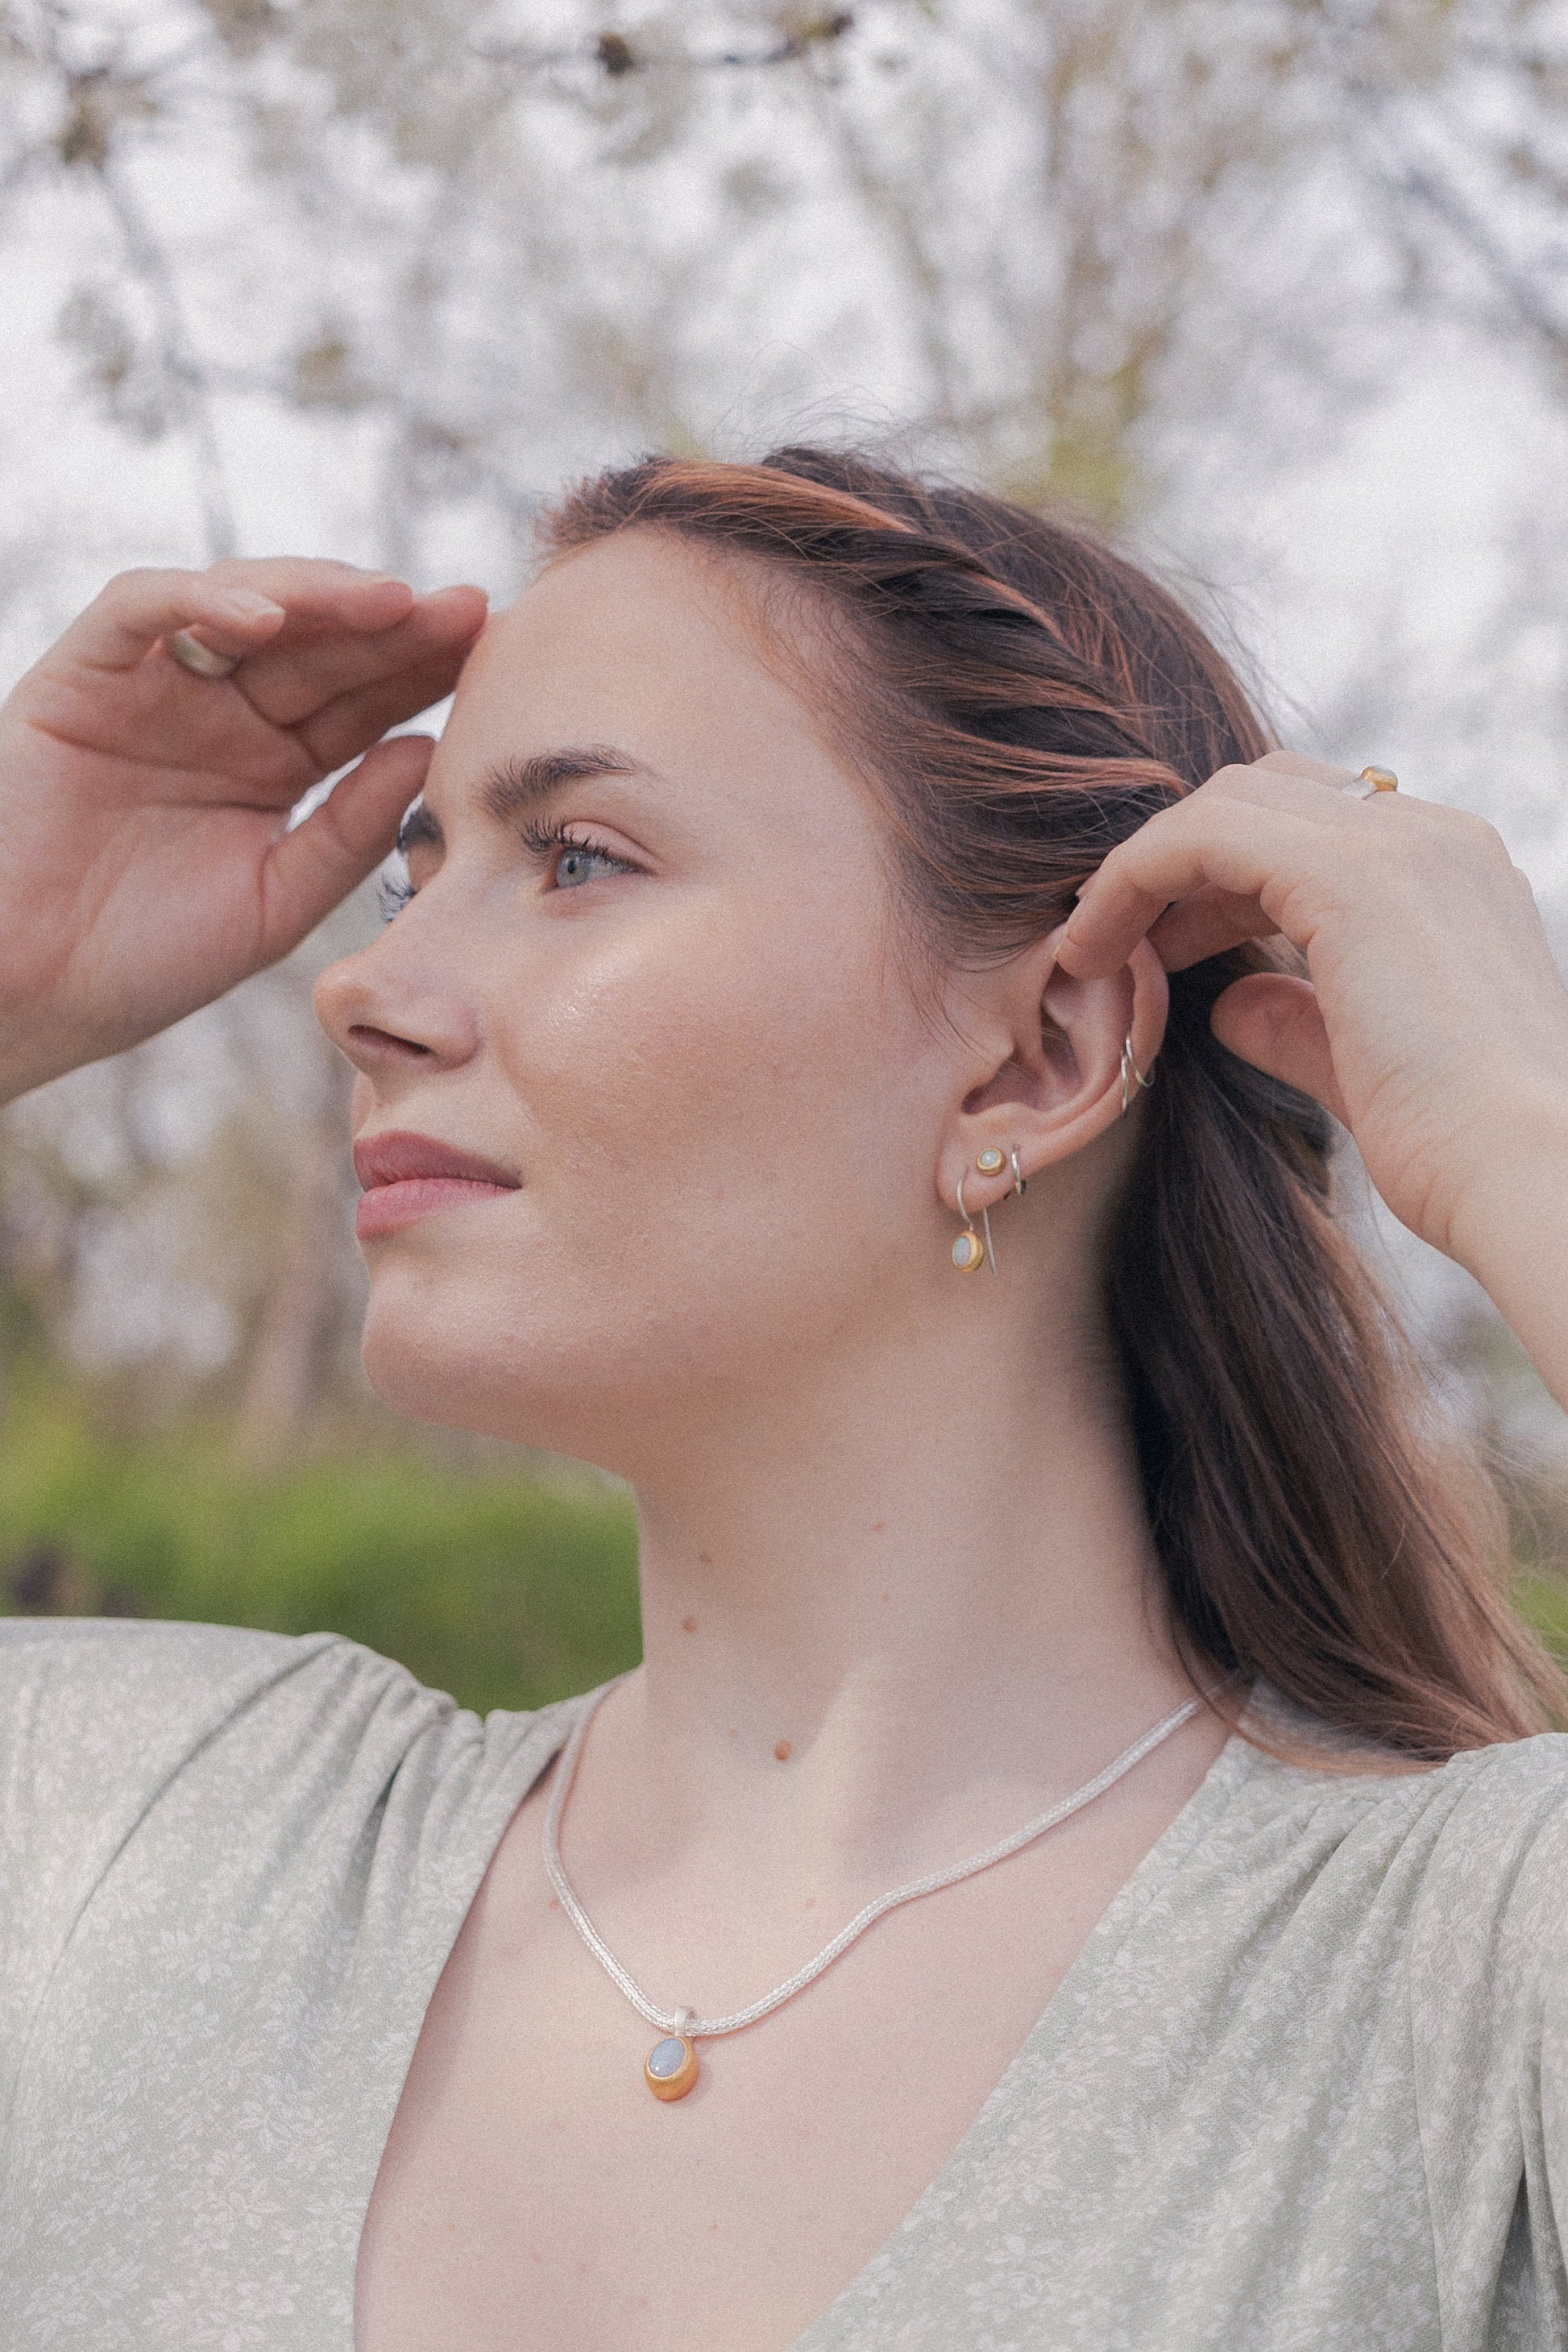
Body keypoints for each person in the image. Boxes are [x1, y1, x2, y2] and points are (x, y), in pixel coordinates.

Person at [1, 447, 1566, 2352]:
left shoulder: (1456, 1989)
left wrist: (1522, 1136)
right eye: (417, 872)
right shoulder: (129, 1849)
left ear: (1035, 1057)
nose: (370, 986)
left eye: (576, 856)